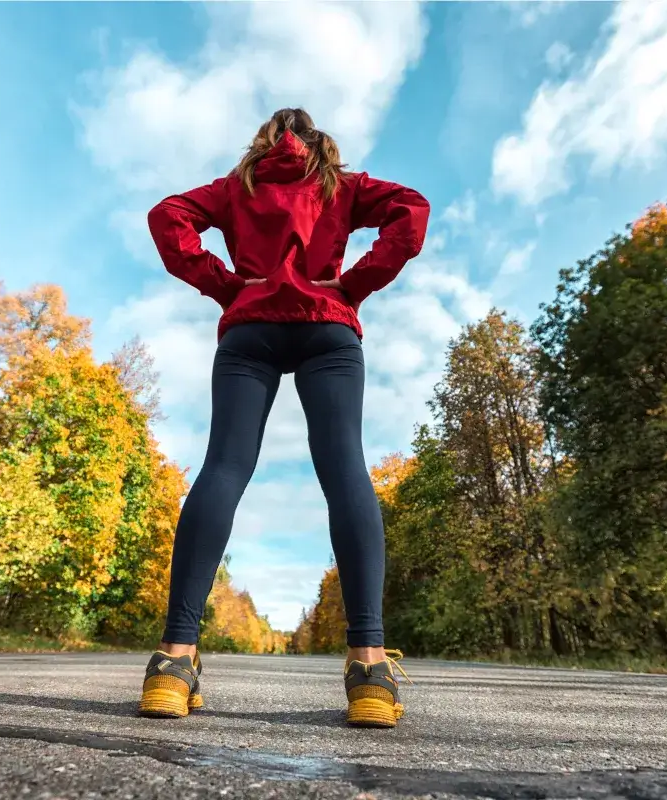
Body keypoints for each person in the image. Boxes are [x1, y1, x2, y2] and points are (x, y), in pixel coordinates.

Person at [138, 108, 429, 728]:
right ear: (320, 142)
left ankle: (174, 662)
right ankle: (370, 674)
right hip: (328, 323)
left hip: (251, 330)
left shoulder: (235, 187)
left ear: (263, 142)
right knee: (345, 471)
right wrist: (352, 285)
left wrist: (228, 286)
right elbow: (412, 209)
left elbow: (168, 216)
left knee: (223, 468)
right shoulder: (342, 185)